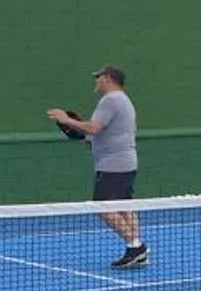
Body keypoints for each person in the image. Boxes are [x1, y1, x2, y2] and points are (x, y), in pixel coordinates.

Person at [47, 66, 145, 269]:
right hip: (126, 161)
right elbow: (103, 134)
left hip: (113, 165)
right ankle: (135, 247)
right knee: (125, 205)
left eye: (98, 78)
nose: (96, 81)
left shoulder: (110, 100)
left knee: (102, 207)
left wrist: (67, 120)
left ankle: (136, 246)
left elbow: (94, 127)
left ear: (108, 78)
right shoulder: (124, 100)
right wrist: (87, 139)